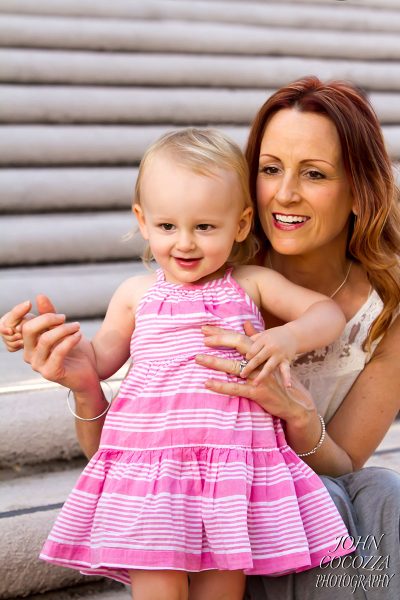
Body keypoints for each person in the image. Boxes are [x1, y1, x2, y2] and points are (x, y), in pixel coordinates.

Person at [0, 128, 353, 600]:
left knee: (222, 589)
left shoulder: (250, 283)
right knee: (160, 590)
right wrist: (52, 343)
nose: (184, 243)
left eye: (205, 227)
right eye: (168, 227)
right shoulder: (135, 295)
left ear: (242, 223)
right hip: (153, 473)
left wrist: (286, 338)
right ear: (143, 222)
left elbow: (327, 312)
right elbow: (99, 360)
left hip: (230, 470)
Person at [192, 78, 400, 600]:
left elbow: (344, 461)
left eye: (314, 174)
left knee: (380, 488)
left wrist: (300, 416)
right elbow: (139, 445)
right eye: (269, 169)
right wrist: (84, 387)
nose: (284, 194)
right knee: (316, 501)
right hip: (217, 517)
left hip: (317, 485)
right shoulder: (213, 279)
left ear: (359, 191)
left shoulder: (387, 307)